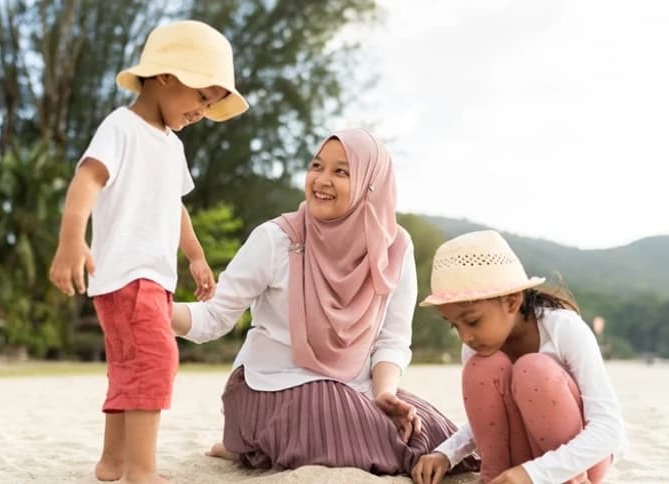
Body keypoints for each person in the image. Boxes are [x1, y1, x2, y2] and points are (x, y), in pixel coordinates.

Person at [171, 128, 478, 479]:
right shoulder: (277, 238)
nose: (321, 179)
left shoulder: (395, 248)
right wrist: (153, 308)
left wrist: (384, 394)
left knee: (430, 436)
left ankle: (256, 445)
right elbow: (214, 317)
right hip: (271, 385)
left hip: (356, 389)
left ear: (370, 183)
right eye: (317, 166)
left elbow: (391, 340)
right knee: (342, 427)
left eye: (341, 171)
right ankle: (246, 439)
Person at [48, 20, 248, 484]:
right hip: (129, 276)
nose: (204, 109)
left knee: (129, 369)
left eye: (212, 102)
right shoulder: (121, 127)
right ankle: (141, 471)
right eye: (202, 95)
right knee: (155, 363)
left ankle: (113, 462)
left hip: (149, 281)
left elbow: (173, 205)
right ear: (166, 76)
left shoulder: (171, 146)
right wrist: (71, 238)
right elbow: (88, 178)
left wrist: (196, 255)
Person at [411, 230, 626, 484]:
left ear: (512, 302)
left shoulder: (563, 329)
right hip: (518, 470)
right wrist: (445, 454)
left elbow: (609, 430)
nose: (465, 337)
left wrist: (535, 474)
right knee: (481, 368)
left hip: (579, 464)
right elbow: (489, 420)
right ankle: (492, 479)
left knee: (532, 370)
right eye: (454, 326)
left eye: (472, 321)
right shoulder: (476, 345)